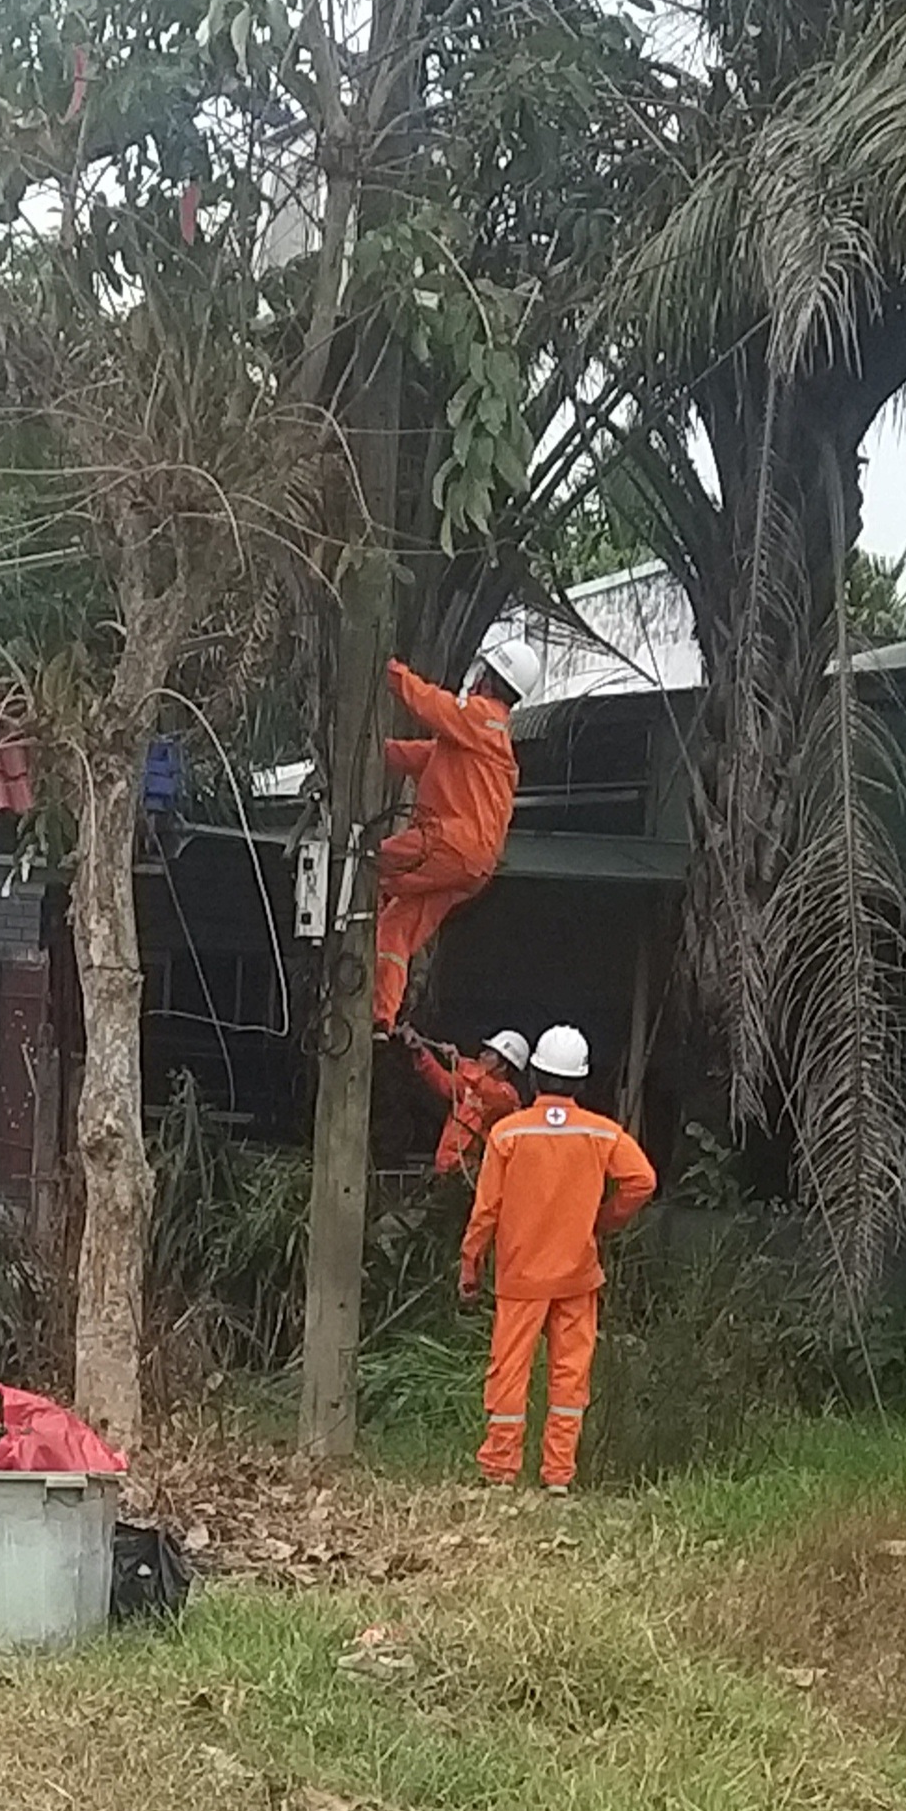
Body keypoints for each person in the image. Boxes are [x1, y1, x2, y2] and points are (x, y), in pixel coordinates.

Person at [459, 1024, 657, 1493]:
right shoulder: (601, 1133)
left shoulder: (508, 1134)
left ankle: (499, 1471)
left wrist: (470, 1265)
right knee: (570, 1378)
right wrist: (604, 1221)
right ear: (582, 1083)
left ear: (535, 1078)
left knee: (510, 1372)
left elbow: (486, 1211)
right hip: (576, 1275)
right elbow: (643, 1180)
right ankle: (558, 1477)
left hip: (520, 1277)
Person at [373, 636, 538, 1031]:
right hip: (472, 868)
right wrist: (371, 750)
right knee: (396, 929)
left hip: (451, 842)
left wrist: (387, 668)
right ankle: (382, 1017)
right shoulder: (477, 741)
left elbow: (428, 702)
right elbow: (415, 756)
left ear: (487, 679)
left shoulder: (481, 716)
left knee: (362, 862)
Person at [403, 1026, 529, 1178]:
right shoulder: (472, 1086)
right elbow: (443, 1081)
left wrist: (459, 1062)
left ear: (503, 1065)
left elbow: (487, 1090)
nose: (481, 1055)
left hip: (475, 1174)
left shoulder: (507, 1097)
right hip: (450, 1169)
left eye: (489, 1053)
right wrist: (421, 1051)